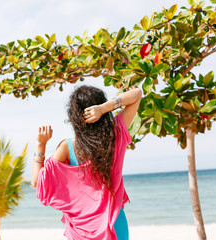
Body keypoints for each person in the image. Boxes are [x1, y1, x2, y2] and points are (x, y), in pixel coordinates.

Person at [31, 85, 142, 240]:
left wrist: (40, 144)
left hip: (80, 231)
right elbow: (137, 95)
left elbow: (37, 182)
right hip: (114, 224)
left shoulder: (67, 148)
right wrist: (103, 108)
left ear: (74, 116)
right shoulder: (115, 135)